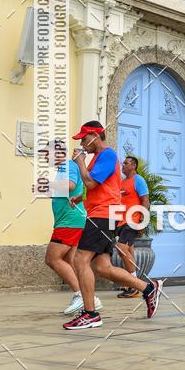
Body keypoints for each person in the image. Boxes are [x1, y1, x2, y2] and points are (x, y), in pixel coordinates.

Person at [62, 121, 163, 330]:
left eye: (83, 138)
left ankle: (90, 314)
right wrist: (81, 198)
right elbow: (103, 187)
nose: (82, 143)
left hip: (102, 215)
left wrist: (80, 161)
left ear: (94, 135)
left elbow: (91, 182)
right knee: (102, 267)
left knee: (80, 259)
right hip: (103, 213)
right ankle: (148, 288)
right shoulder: (99, 158)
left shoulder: (107, 155)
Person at [38, 140, 102, 315]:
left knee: (52, 258)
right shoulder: (63, 169)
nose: (45, 157)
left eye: (47, 153)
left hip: (70, 221)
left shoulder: (68, 165)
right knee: (70, 261)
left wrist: (46, 185)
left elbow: (71, 185)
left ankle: (80, 295)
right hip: (69, 221)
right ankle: (90, 298)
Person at [116, 155, 150, 299]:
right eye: (123, 163)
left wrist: (142, 220)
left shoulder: (139, 180)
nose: (123, 165)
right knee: (128, 252)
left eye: (126, 163)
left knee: (121, 250)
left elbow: (145, 200)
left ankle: (135, 285)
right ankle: (131, 285)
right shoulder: (122, 182)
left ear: (133, 166)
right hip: (120, 222)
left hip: (132, 220)